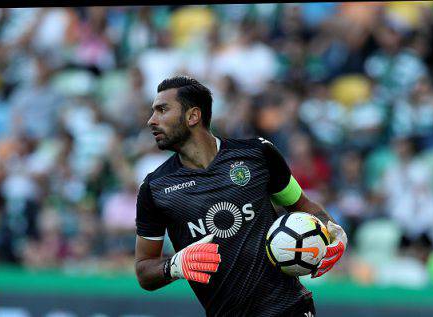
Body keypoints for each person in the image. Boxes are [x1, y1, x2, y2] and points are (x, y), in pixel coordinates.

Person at [135, 76, 347, 317]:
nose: (152, 120)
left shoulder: (257, 154)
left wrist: (335, 233)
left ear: (193, 116)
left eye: (162, 110)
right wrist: (174, 265)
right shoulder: (155, 188)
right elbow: (144, 270)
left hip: (290, 309)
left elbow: (302, 204)